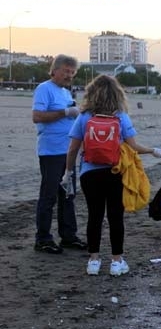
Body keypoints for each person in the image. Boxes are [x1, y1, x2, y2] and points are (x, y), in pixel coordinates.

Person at [64, 74, 161, 276]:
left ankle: (93, 261)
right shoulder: (120, 116)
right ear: (117, 94)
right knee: (115, 217)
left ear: (92, 93)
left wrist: (68, 173)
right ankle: (116, 261)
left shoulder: (84, 116)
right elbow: (134, 146)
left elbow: (72, 149)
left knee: (94, 216)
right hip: (115, 172)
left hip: (89, 174)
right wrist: (152, 150)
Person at [31, 54, 87, 254]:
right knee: (49, 196)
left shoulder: (65, 92)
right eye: (66, 71)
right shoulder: (44, 88)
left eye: (72, 72)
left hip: (68, 151)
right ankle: (43, 239)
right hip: (51, 151)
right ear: (55, 70)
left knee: (68, 194)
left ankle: (68, 236)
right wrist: (64, 113)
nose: (69, 75)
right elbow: (37, 117)